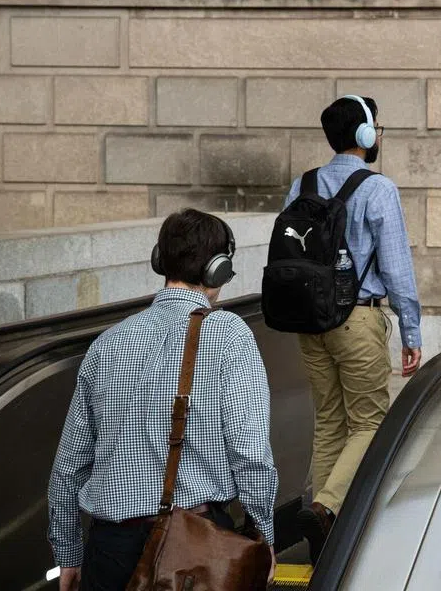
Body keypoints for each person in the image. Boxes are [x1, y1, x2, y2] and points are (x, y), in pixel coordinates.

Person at [48, 209, 278, 591]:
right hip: (195, 554)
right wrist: (263, 534)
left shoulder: (107, 343)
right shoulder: (229, 335)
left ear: (161, 260)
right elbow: (250, 452)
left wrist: (69, 555)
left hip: (108, 550)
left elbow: (67, 468)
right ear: (217, 270)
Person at [285, 95, 423, 564]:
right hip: (357, 318)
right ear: (365, 136)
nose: (379, 135)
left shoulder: (301, 184)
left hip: (308, 320)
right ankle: (326, 508)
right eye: (377, 128)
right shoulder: (377, 188)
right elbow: (397, 268)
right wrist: (412, 332)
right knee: (370, 420)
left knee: (329, 420)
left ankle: (321, 530)